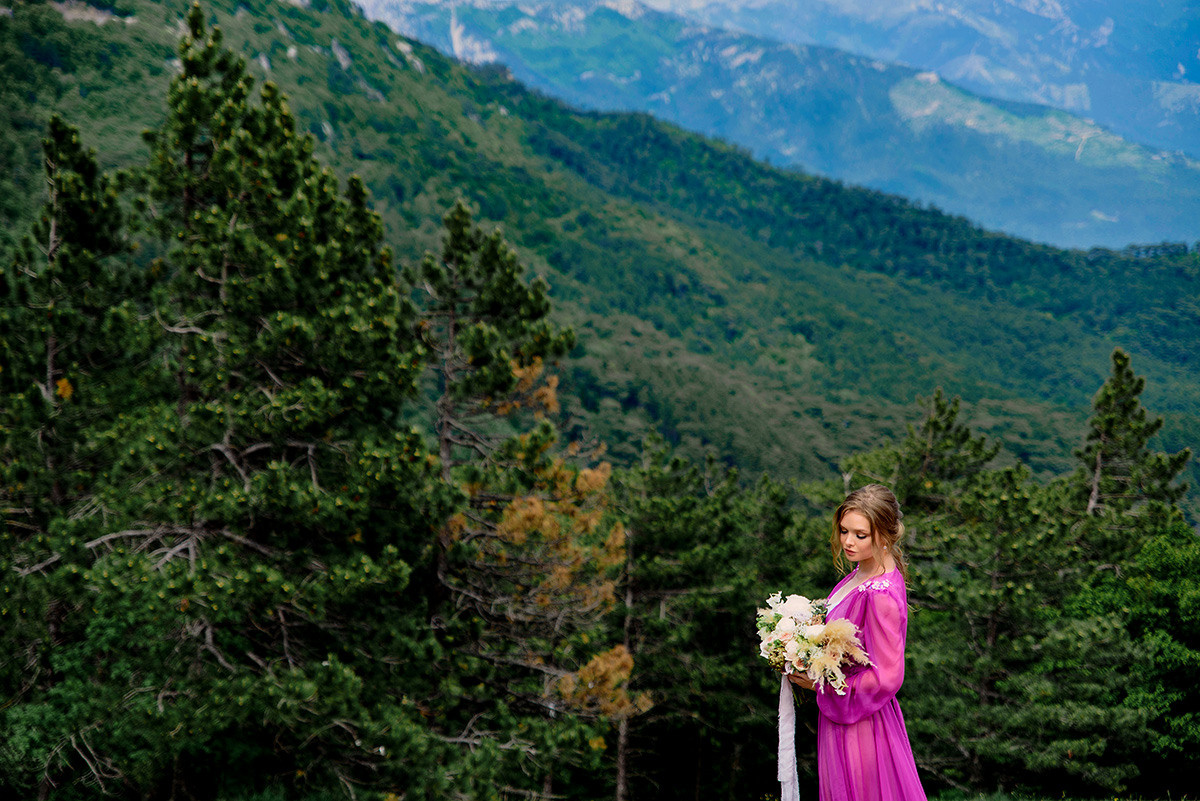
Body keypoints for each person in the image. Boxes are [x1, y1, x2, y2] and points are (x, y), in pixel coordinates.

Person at [788, 484, 927, 801]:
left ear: (884, 535)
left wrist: (820, 683)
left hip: (861, 724)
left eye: (860, 535)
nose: (848, 541)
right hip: (848, 714)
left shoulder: (880, 595)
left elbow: (888, 676)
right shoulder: (864, 570)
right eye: (843, 531)